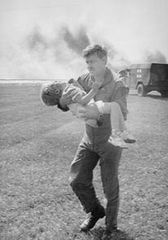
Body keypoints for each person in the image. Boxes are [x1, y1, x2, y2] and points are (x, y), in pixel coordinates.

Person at [49, 45, 132, 239]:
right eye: (86, 62)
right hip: (88, 138)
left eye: (92, 61)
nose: (88, 66)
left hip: (110, 140)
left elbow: (122, 111)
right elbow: (68, 98)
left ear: (104, 60)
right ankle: (95, 211)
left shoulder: (118, 84)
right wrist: (62, 102)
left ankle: (112, 227)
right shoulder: (84, 78)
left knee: (109, 185)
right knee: (76, 178)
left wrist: (100, 110)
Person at [41, 77, 134, 148]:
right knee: (115, 106)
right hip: (91, 108)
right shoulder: (69, 91)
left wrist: (76, 84)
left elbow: (80, 93)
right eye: (56, 83)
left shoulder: (67, 92)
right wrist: (94, 90)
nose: (59, 81)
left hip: (87, 113)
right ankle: (117, 135)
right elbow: (82, 100)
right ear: (57, 90)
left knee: (115, 107)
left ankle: (122, 133)